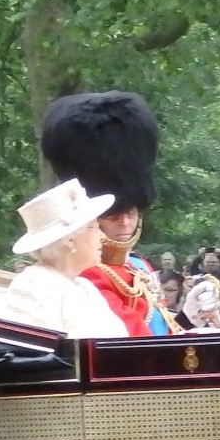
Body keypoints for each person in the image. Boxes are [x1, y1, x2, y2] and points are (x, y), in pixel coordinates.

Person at [41, 91, 170, 336]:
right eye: (112, 214)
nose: (124, 222)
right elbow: (137, 340)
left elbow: (163, 326)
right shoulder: (88, 273)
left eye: (131, 212)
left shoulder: (138, 266)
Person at [1, 180, 130, 338]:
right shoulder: (33, 285)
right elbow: (39, 357)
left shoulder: (85, 286)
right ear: (70, 240)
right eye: (95, 227)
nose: (102, 236)